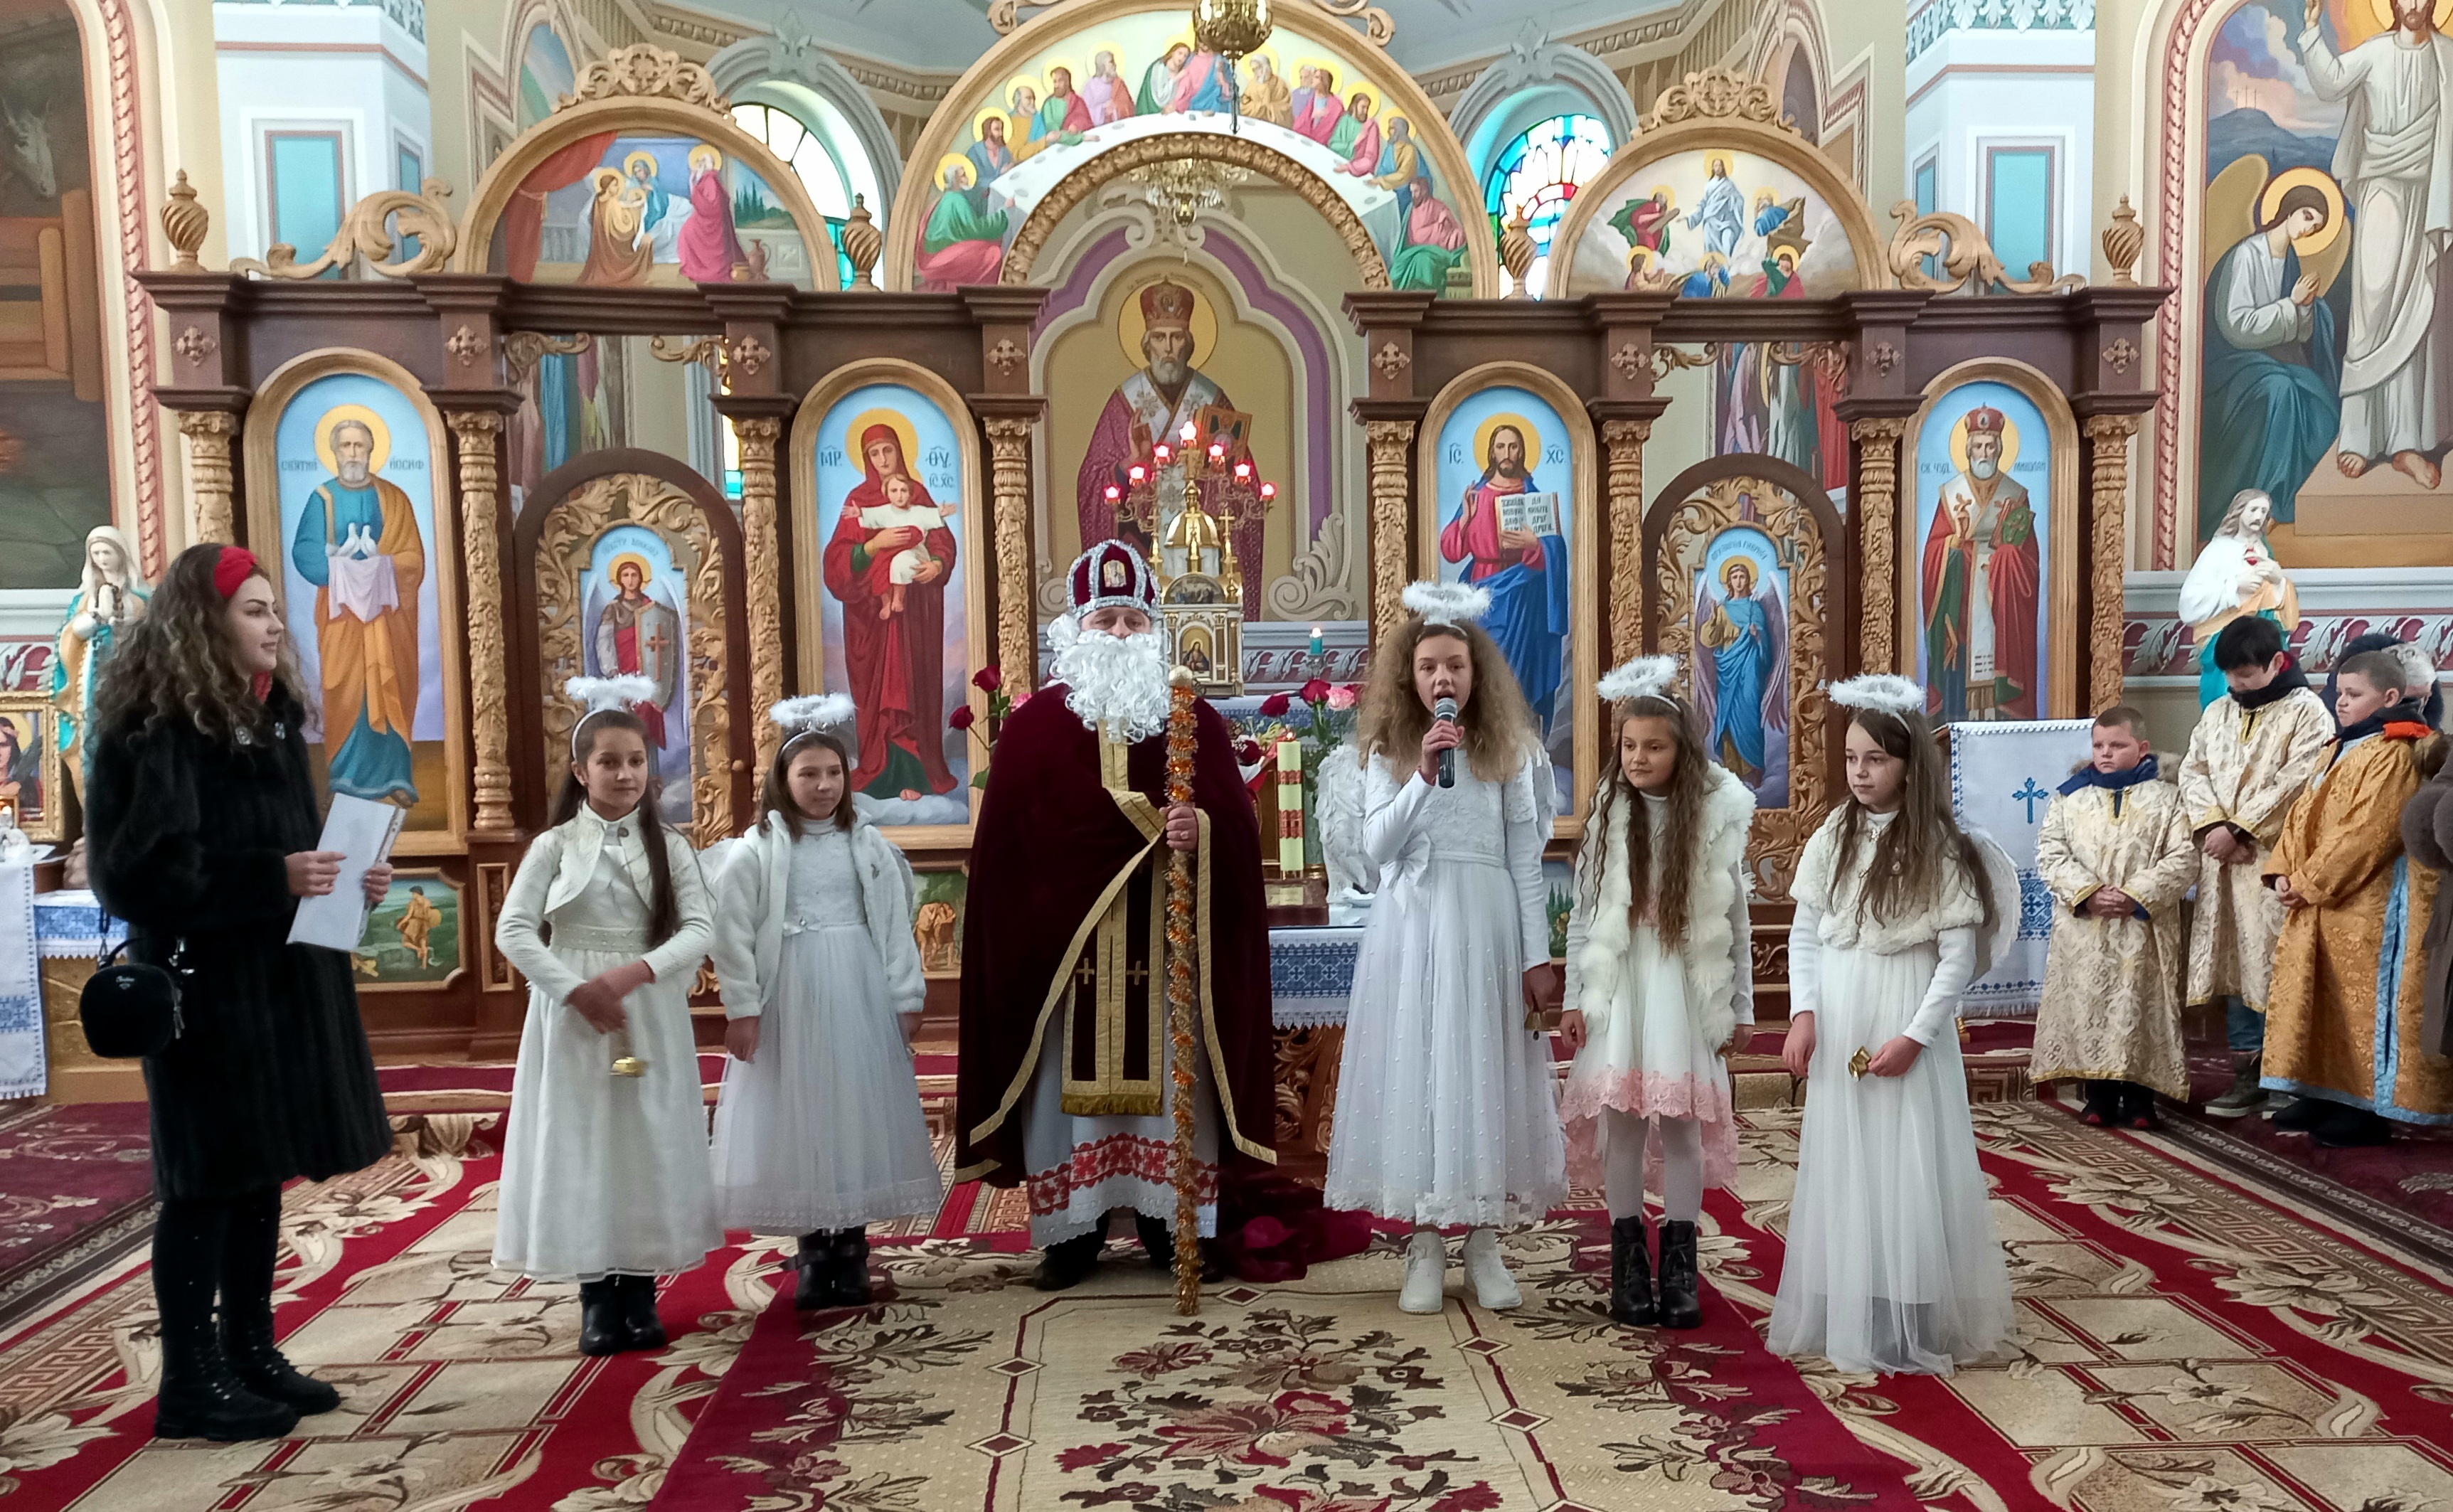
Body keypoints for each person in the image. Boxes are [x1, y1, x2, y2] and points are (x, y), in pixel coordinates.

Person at [86, 543, 393, 1441]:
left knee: (258, 1169)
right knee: (205, 1181)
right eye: (254, 609)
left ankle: (250, 1350)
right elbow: (134, 874)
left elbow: (291, 845)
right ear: (204, 621)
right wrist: (273, 875)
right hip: (206, 990)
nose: (273, 623)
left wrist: (344, 878)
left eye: (272, 608)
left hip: (276, 980)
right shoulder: (153, 723)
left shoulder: (265, 712)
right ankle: (189, 1381)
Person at [955, 543, 1275, 1290]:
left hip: (1167, 946)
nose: (1122, 634)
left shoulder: (1193, 720)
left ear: (1155, 629)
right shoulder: (1034, 727)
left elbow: (1235, 827)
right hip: (1065, 955)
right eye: (1106, 620)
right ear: (1075, 628)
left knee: (1172, 1084)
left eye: (1135, 619)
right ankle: (1073, 1234)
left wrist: (1202, 829)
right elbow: (1010, 850)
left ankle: (1169, 1224)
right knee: (1061, 1093)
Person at [1324, 580, 1563, 1314]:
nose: (1442, 679)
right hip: (1412, 928)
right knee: (1421, 1070)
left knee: (1484, 1070)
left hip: (1486, 925)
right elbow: (1375, 848)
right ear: (1410, 676)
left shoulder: (1510, 751)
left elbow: (1525, 861)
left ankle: (1483, 1239)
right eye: (1428, 666)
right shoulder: (1388, 749)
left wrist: (1535, 956)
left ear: (1475, 674)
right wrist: (1423, 776)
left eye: (1455, 666)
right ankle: (1424, 1241)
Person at [1770, 673, 2015, 1376]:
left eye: (1875, 759)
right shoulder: (1833, 834)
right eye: (1851, 758)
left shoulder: (1937, 844)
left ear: (1908, 765)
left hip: (1903, 1008)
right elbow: (1805, 933)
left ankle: (1912, 1306)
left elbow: (1954, 958)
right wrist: (1803, 1012)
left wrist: (1915, 1036)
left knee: (1907, 1156)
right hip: (1841, 1007)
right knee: (1847, 1157)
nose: (1859, 772)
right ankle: (1850, 1297)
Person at [492, 676, 719, 1353]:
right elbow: (514, 930)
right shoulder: (554, 847)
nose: (625, 775)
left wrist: (633, 973)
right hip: (573, 1016)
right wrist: (573, 989)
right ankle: (596, 1293)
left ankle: (640, 1290)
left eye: (636, 761)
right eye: (609, 762)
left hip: (645, 1007)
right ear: (580, 770)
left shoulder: (671, 846)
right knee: (582, 1138)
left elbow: (700, 928)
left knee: (644, 1139)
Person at [708, 696, 940, 1309]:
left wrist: (905, 995)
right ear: (782, 781)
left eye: (833, 773)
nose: (823, 785)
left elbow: (894, 926)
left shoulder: (868, 846)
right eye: (808, 774)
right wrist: (743, 1008)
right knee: (802, 1114)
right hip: (790, 991)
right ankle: (814, 1250)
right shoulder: (756, 850)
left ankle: (852, 1247)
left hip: (857, 991)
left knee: (852, 1110)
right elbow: (731, 935)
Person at [1556, 656, 1755, 1329]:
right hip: (1623, 987)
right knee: (1622, 1125)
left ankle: (1678, 1265)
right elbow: (1583, 915)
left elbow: (1734, 921)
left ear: (1681, 752)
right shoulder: (1609, 814)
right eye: (1629, 746)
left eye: (1654, 747)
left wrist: (1741, 1007)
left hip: (1683, 988)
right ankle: (1627, 1262)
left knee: (1680, 1127)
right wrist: (1573, 997)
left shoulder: (1713, 817)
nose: (1638, 758)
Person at [2261, 645, 2453, 1146]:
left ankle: (2365, 1106)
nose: (2340, 702)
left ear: (2389, 697)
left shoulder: (2395, 750)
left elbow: (2368, 832)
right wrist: (2282, 870)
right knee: (2322, 999)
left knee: (2362, 1008)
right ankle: (2321, 1091)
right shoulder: (2339, 745)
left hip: (2369, 903)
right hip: (2321, 900)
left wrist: (2308, 882)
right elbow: (2301, 814)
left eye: (2353, 694)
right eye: (2338, 693)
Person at [2178, 615, 2334, 1116]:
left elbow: (2301, 779)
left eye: (2245, 674)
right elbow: (2193, 770)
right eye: (2230, 674)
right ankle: (2245, 1074)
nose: (2236, 684)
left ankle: (2286, 1078)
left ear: (2276, 662)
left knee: (2273, 964)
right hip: (2221, 862)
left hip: (2273, 862)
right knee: (2233, 965)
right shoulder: (2219, 711)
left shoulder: (2307, 712)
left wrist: (2241, 830)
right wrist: (2211, 827)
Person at [2298, 0, 2453, 488]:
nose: (2414, 5)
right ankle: (2359, 437)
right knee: (2373, 305)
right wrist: (2311, 33)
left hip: (2429, 195)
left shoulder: (2447, 55)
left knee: (2419, 310)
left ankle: (2407, 444)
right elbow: (2330, 82)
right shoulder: (2374, 52)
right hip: (2382, 190)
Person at [2031, 707, 2199, 1129]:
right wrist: (2088, 893)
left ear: (2142, 748)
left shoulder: (2168, 798)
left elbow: (2183, 855)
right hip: (2087, 927)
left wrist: (2135, 894)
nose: (2105, 753)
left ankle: (2142, 1102)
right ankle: (2099, 1098)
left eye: (2117, 745)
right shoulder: (2070, 797)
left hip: (2143, 925)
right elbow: (2051, 852)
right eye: (2099, 745)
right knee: (2092, 1006)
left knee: (2140, 1008)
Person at [291, 415, 426, 804]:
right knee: (345, 689)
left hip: (388, 621)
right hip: (342, 621)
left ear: (371, 451)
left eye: (359, 446)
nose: (353, 453)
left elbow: (414, 559)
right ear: (334, 451)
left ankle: (395, 776)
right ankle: (345, 778)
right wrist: (341, 566)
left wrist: (381, 566)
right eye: (345, 446)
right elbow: (305, 552)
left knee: (391, 687)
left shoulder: (395, 499)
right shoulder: (322, 499)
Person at [821, 424, 960, 801]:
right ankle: (879, 769)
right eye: (874, 453)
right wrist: (872, 547)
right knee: (880, 695)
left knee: (912, 687)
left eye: (888, 450)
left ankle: (918, 773)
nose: (883, 459)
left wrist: (937, 564)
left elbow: (942, 541)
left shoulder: (917, 494)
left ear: (899, 451)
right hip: (871, 620)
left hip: (915, 615)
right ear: (866, 459)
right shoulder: (859, 500)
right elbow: (836, 562)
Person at [2198, 186, 2340, 536]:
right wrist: (2290, 305)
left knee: (2321, 402)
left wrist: (2305, 307)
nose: (2308, 229)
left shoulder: (2290, 260)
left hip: (2270, 359)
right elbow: (2236, 326)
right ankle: (2266, 500)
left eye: (2315, 226)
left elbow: (2299, 335)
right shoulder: (2247, 255)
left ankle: (2287, 496)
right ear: (2289, 210)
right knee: (2281, 391)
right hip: (2232, 360)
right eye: (2307, 217)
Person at [1438, 423, 1565, 736]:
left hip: (1525, 596)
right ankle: (1485, 738)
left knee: (1521, 675)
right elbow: (1451, 551)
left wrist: (1536, 546)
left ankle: (1521, 739)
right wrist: (1465, 519)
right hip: (1484, 591)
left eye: (1513, 447)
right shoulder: (1477, 496)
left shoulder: (1533, 497)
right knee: (1486, 667)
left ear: (1522, 452)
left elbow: (1556, 548)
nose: (1507, 454)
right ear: (1491, 452)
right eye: (1500, 446)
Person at [1920, 405, 2040, 721]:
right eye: (1978, 446)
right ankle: (1954, 721)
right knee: (1960, 660)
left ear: (1999, 448)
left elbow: (2029, 560)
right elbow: (1933, 551)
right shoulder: (1950, 494)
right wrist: (1953, 547)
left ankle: (2002, 718)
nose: (1984, 453)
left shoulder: (2016, 494)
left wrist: (2008, 559)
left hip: (2000, 600)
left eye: (1990, 446)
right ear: (1968, 449)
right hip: (1959, 602)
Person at [51, 523, 149, 800]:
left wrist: (123, 624)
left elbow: (152, 635)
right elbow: (68, 636)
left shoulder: (140, 598)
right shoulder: (85, 600)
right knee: (91, 739)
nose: (102, 559)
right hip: (91, 679)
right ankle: (94, 811)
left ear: (121, 554)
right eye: (96, 553)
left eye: (107, 552)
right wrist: (95, 618)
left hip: (130, 676)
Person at [2180, 490, 2299, 708]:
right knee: (2225, 696)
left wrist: (2279, 582)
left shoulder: (2264, 550)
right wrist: (2234, 587)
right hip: (2227, 637)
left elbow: (2277, 598)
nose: (2258, 516)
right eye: (2253, 510)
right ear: (2239, 511)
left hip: (2263, 639)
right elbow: (2190, 601)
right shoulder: (2218, 550)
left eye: (2263, 511)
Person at [394, 885, 441, 969]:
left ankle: (418, 949)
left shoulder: (413, 903)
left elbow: (409, 916)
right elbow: (428, 915)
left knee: (405, 942)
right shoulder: (427, 902)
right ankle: (424, 966)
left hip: (414, 925)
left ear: (417, 893)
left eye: (413, 893)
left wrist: (400, 924)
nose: (412, 895)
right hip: (424, 925)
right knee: (423, 943)